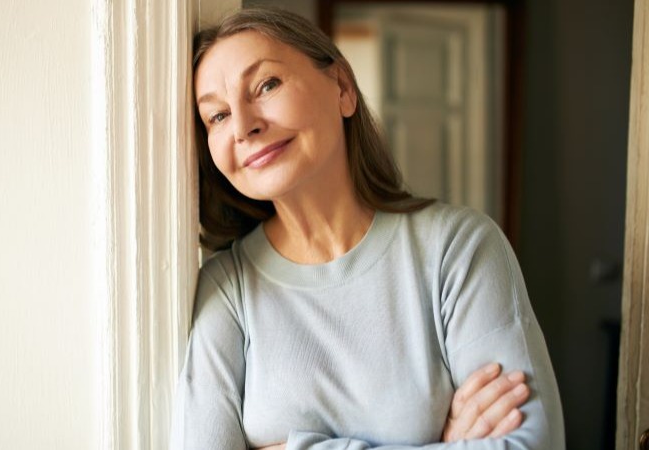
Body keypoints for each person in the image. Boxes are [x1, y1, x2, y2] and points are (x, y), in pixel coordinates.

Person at [171, 7, 564, 450]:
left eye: (266, 85)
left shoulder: (459, 249)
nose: (244, 126)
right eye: (217, 116)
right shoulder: (228, 288)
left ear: (342, 87)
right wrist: (441, 444)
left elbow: (534, 444)